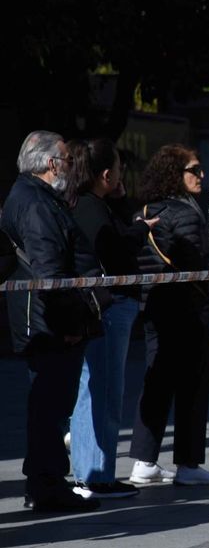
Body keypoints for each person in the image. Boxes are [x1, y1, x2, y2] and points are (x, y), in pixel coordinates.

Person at [2, 131, 102, 513]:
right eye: (64, 158)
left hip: (45, 318)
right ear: (49, 164)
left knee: (51, 403)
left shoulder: (34, 197)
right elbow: (50, 271)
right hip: (48, 321)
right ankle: (46, 484)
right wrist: (69, 321)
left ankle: (45, 481)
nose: (68, 165)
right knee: (50, 404)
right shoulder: (35, 203)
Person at [131, 146, 209, 488]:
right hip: (188, 307)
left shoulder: (144, 211)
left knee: (155, 383)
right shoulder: (183, 212)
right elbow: (194, 265)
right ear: (176, 173)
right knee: (192, 385)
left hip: (154, 307)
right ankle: (188, 464)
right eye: (194, 169)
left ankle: (144, 460)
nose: (201, 176)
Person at [67, 139, 150, 500]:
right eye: (116, 169)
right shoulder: (90, 208)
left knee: (93, 390)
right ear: (105, 173)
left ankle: (90, 472)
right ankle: (97, 475)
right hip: (109, 306)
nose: (120, 176)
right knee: (104, 392)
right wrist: (140, 231)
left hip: (106, 306)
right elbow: (115, 249)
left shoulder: (93, 204)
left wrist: (120, 200)